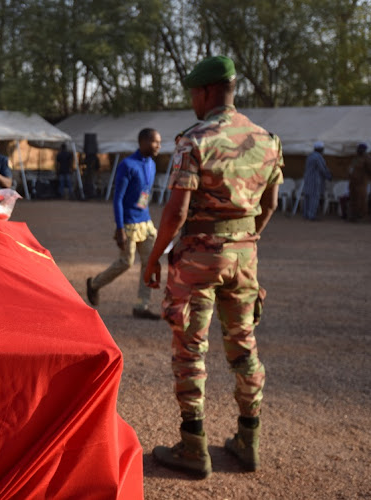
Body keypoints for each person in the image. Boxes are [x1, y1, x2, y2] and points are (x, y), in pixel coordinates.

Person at [142, 56, 283, 478]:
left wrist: (154, 257)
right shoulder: (268, 140)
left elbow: (175, 212)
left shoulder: (194, 140)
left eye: (192, 94)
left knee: (190, 349)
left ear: (205, 91)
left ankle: (193, 446)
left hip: (199, 257)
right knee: (244, 347)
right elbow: (271, 205)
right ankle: (248, 439)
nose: (192, 102)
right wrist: (242, 239)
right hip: (244, 255)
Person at [86, 128, 162, 320]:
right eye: (154, 141)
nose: (158, 145)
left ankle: (141, 306)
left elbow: (144, 195)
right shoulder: (127, 165)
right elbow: (118, 199)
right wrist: (120, 228)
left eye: (159, 142)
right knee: (125, 262)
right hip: (128, 224)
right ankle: (94, 284)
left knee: (149, 263)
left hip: (146, 222)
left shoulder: (152, 164)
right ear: (142, 142)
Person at [302, 142, 332, 220]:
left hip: (307, 180)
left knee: (307, 198)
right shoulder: (318, 157)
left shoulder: (309, 156)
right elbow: (322, 168)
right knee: (314, 198)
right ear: (321, 149)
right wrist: (328, 176)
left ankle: (306, 214)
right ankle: (311, 215)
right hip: (315, 181)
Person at [347, 142, 371, 222]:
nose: (358, 150)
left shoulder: (367, 159)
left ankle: (361, 216)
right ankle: (353, 216)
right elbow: (351, 168)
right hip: (353, 183)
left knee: (361, 200)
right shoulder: (355, 158)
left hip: (361, 183)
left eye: (360, 149)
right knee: (353, 199)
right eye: (358, 149)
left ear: (364, 150)